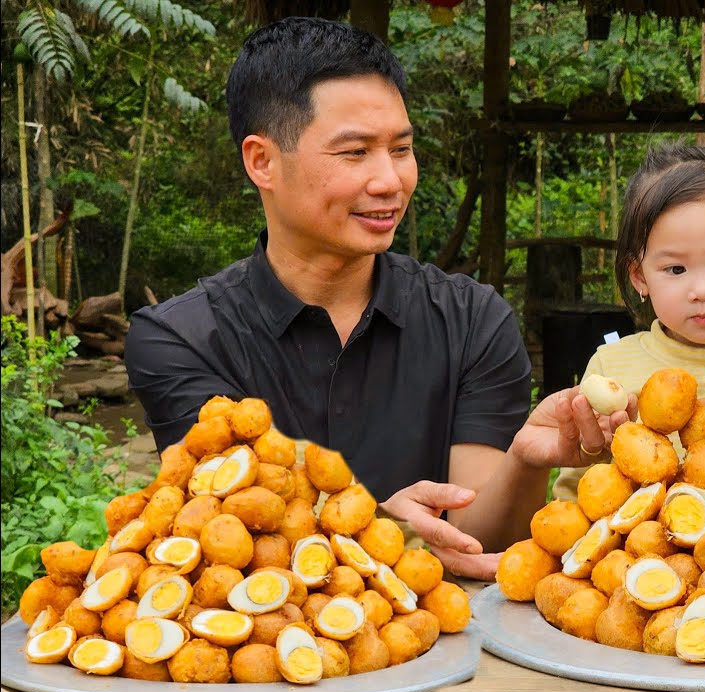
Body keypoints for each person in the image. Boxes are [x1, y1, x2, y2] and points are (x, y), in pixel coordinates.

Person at [125, 17, 621, 580]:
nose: (390, 180)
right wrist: (384, 520)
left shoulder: (472, 320)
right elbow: (227, 529)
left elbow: (478, 538)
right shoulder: (180, 340)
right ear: (262, 161)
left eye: (401, 149)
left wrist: (525, 464)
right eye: (355, 152)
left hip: (447, 645)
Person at [551, 143, 705, 500]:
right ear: (639, 276)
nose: (702, 290)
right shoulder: (611, 369)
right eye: (676, 269)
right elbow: (574, 499)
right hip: (636, 552)